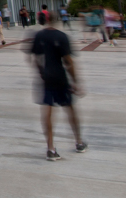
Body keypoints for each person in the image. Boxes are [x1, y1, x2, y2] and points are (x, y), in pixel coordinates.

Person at [29, 10, 87, 160]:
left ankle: (50, 148)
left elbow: (35, 58)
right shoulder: (62, 37)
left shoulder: (39, 36)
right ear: (58, 20)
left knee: (47, 112)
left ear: (47, 20)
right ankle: (79, 142)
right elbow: (68, 62)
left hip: (46, 79)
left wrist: (41, 72)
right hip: (61, 78)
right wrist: (75, 81)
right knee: (70, 109)